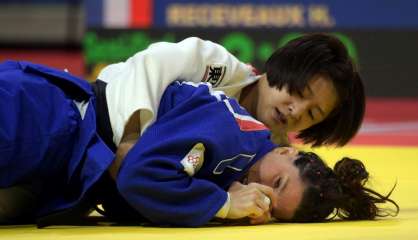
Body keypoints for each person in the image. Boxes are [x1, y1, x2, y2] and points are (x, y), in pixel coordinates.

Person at [0, 61, 396, 227]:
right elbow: (138, 174)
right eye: (274, 186)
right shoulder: (235, 132)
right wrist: (223, 205)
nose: (259, 198)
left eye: (271, 209)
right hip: (48, 117)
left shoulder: (237, 159)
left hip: (61, 167)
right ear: (285, 150)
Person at [96, 33, 365, 163]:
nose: (296, 110)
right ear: (282, 67)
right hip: (95, 116)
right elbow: (152, 62)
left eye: (311, 115)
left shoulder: (272, 152)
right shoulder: (221, 69)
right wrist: (130, 138)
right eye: (298, 92)